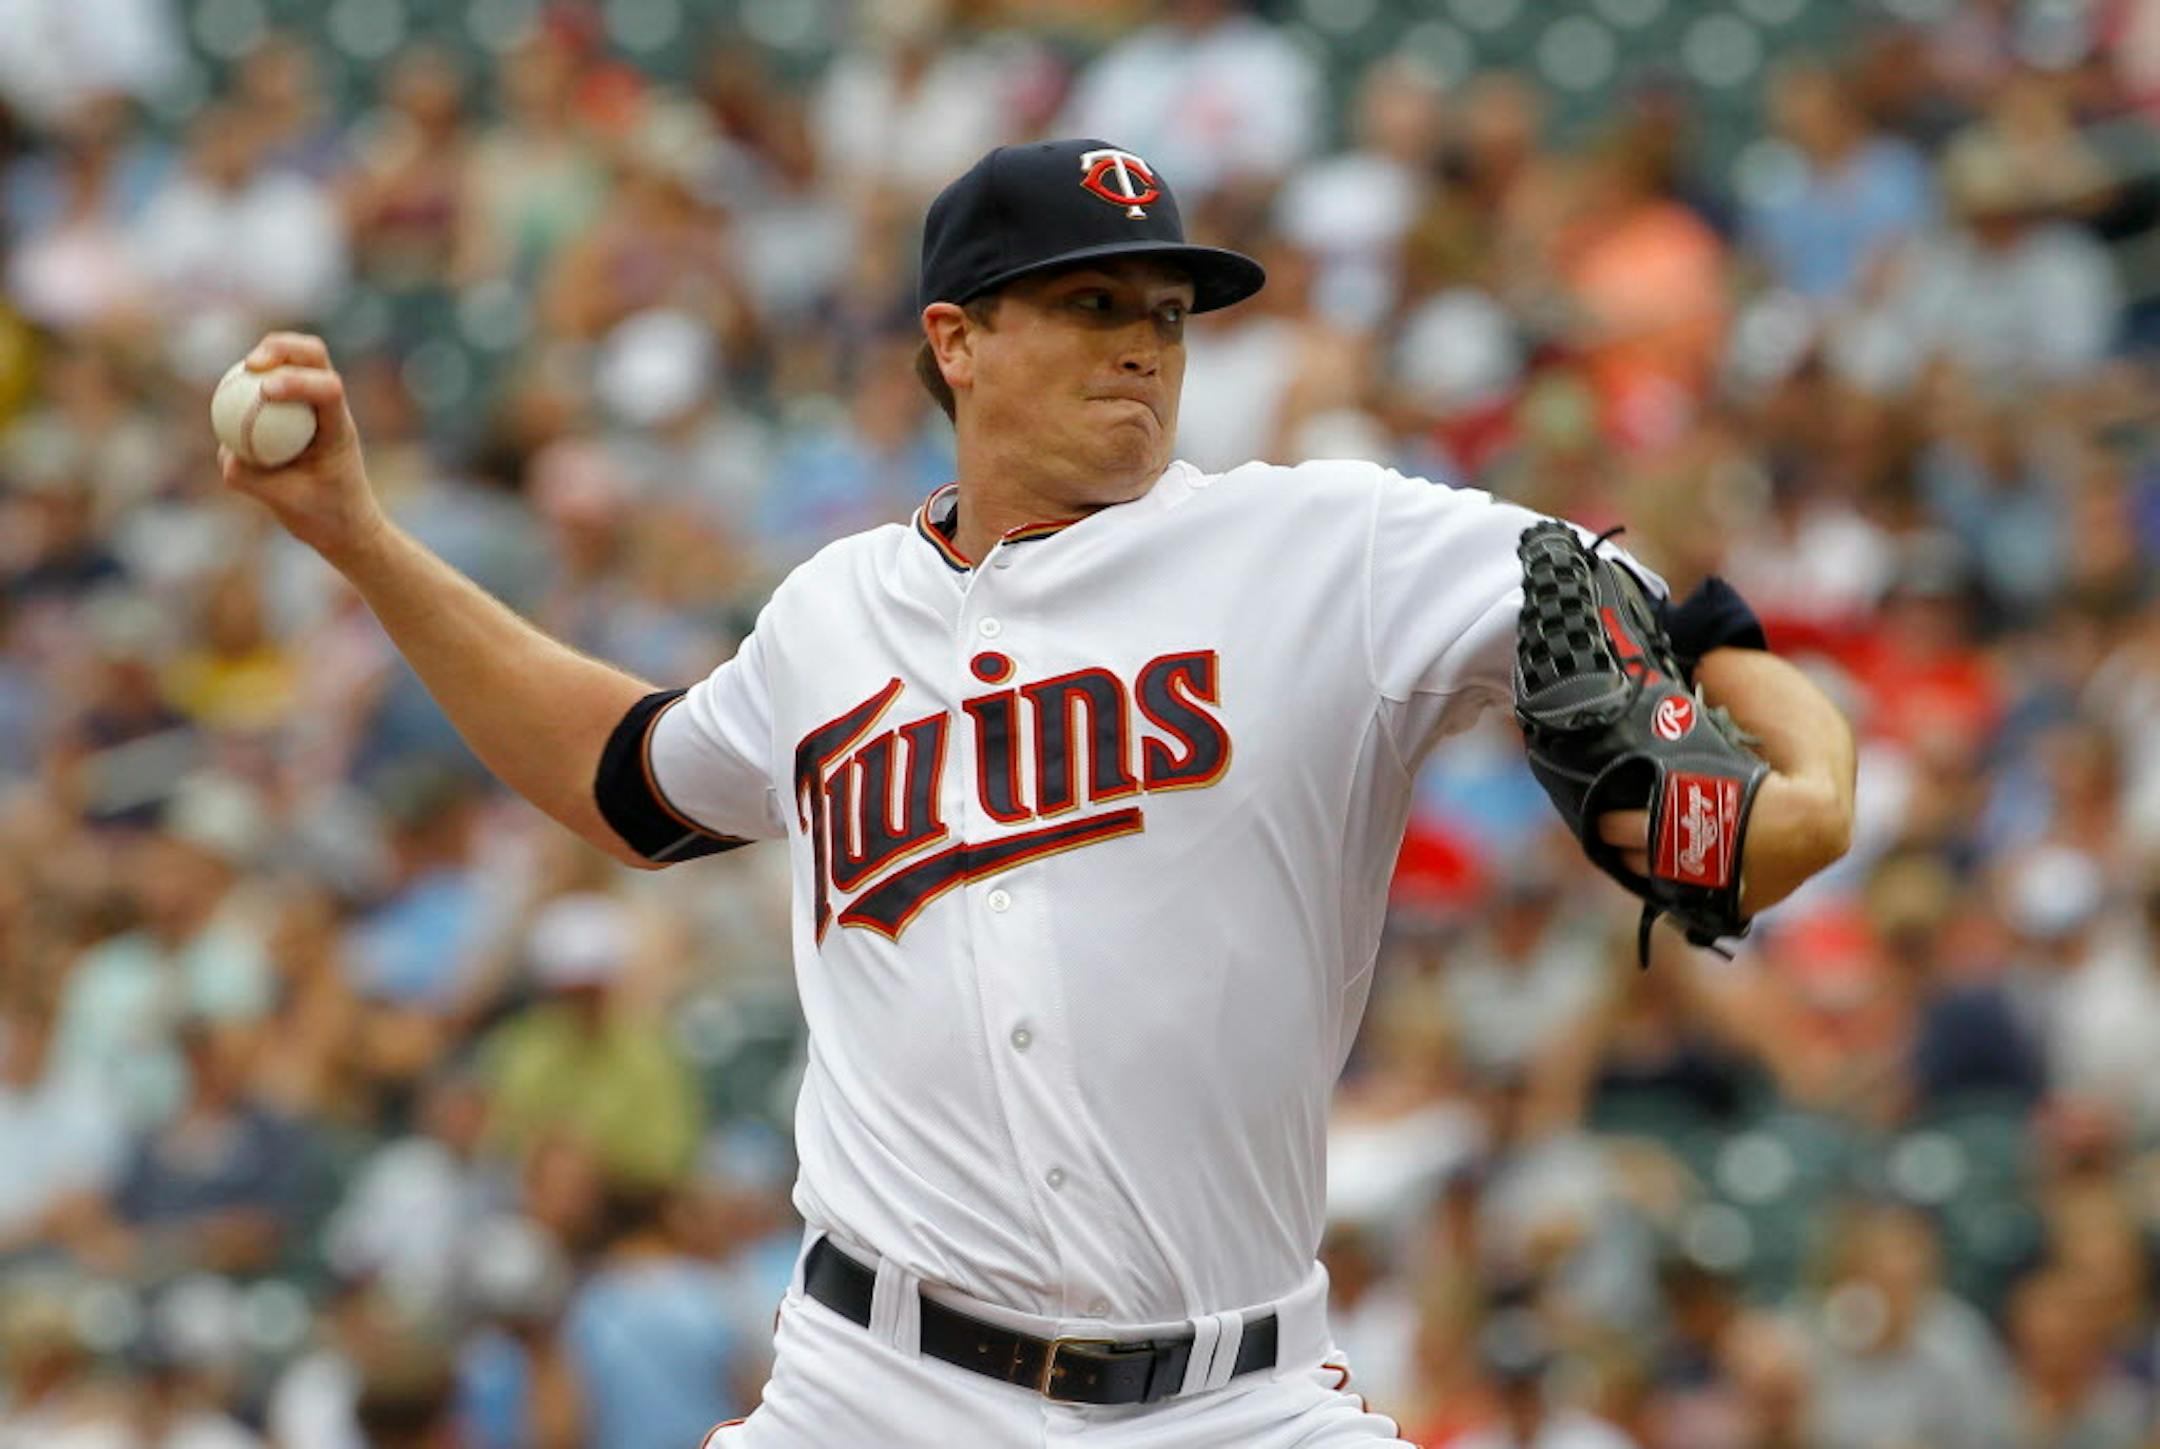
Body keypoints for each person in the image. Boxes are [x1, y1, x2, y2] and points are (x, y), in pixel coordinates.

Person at [220, 138, 1856, 1446]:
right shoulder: (831, 616)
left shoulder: (1327, 546)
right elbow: (624, 777)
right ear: (957, 339)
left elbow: (1643, 621)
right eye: (1092, 305)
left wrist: (1793, 746)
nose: (1145, 345)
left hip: (1240, 1398)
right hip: (876, 1386)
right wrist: (362, 539)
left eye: (1165, 312)